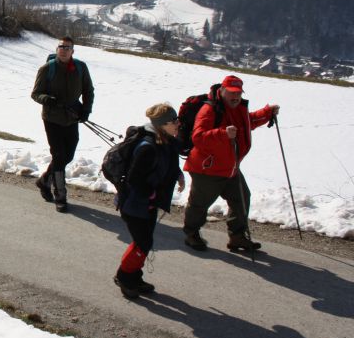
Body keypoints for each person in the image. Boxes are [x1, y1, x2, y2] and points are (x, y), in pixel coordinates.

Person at [182, 75, 279, 252]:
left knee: (241, 199)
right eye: (232, 93)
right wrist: (222, 134)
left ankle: (237, 237)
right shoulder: (209, 109)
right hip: (207, 168)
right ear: (223, 91)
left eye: (239, 93)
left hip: (230, 167)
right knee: (199, 204)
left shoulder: (238, 108)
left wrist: (267, 113)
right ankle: (191, 234)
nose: (236, 97)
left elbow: (247, 122)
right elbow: (198, 137)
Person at [113, 103, 185, 299]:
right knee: (143, 243)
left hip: (146, 204)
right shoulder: (148, 147)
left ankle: (134, 276)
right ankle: (125, 277)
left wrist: (178, 175)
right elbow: (135, 179)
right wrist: (153, 194)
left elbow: (167, 163)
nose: (178, 124)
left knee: (143, 241)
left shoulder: (164, 141)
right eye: (174, 121)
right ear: (162, 124)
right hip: (135, 205)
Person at [30, 36, 95, 212]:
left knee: (68, 155)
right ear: (57, 49)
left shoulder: (81, 68)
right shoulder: (47, 69)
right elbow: (35, 93)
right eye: (61, 46)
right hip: (52, 118)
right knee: (59, 156)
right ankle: (60, 195)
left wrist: (86, 111)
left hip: (72, 118)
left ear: (73, 51)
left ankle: (44, 181)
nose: (64, 49)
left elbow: (88, 90)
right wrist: (47, 99)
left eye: (68, 47)